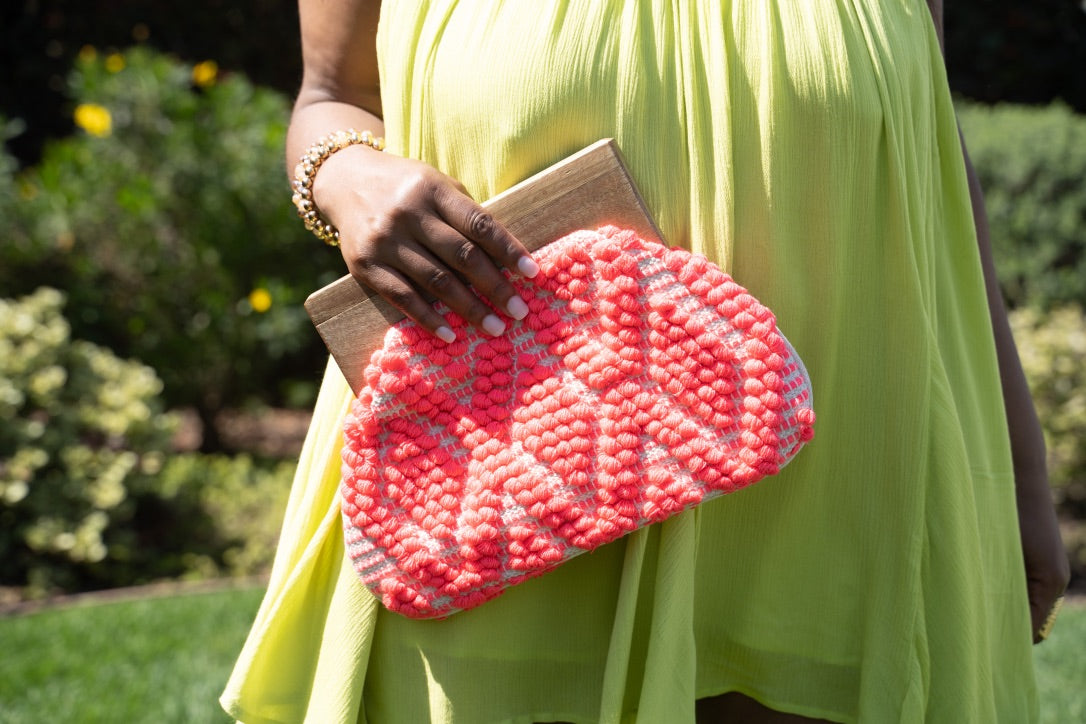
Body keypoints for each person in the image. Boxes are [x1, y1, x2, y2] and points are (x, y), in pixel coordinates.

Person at [221, 1, 1069, 721]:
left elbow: (927, 149)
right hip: (511, 475)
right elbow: (331, 97)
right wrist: (349, 177)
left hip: (849, 465)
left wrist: (1021, 465)